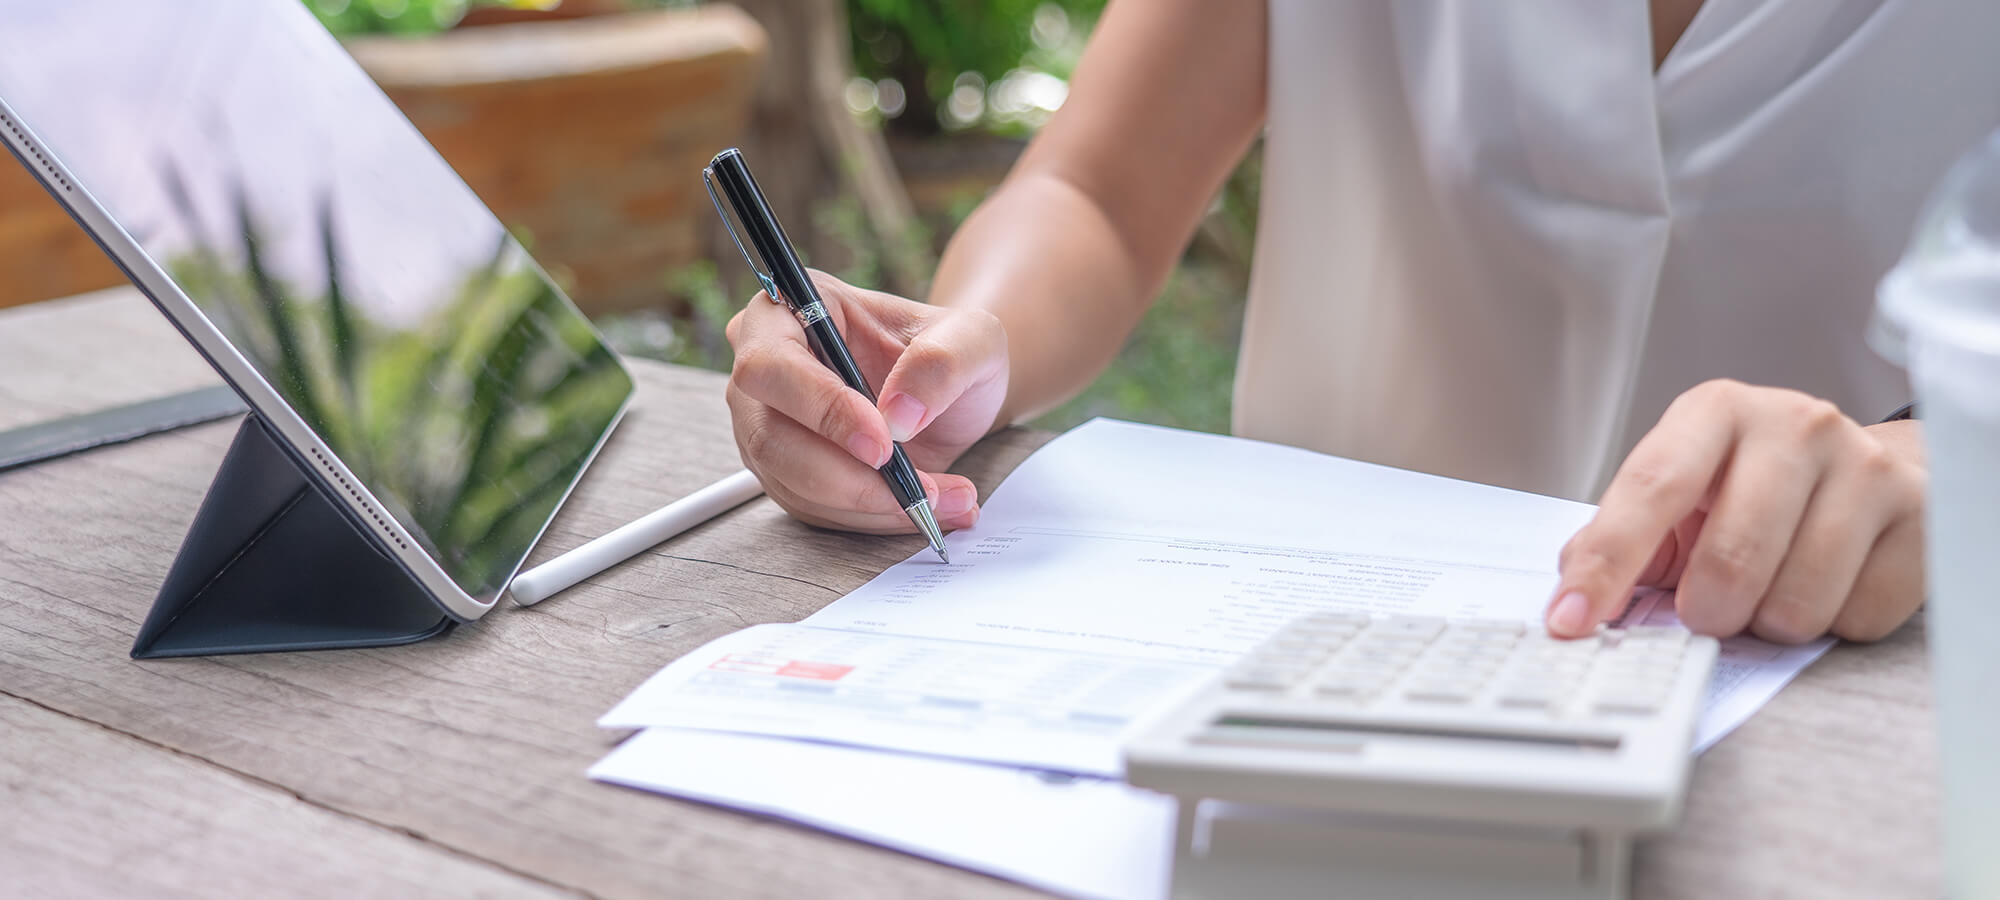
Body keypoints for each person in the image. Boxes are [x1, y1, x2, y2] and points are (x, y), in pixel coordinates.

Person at [722, 0, 2000, 643]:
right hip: (1283, 649)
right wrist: (953, 346)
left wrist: (1937, 468)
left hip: (1823, 690)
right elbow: (1092, 190)